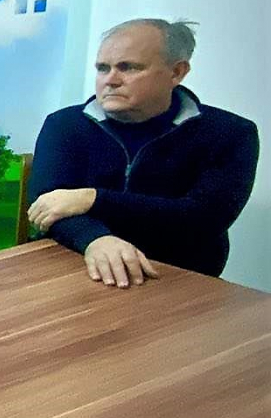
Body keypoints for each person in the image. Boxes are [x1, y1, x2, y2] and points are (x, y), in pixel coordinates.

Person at [28, 18, 259, 288]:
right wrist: (95, 239)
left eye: (128, 67)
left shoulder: (230, 133)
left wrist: (93, 199)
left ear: (177, 72)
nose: (111, 80)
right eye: (103, 68)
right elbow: (45, 207)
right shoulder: (65, 124)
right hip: (73, 269)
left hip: (175, 279)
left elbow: (202, 219)